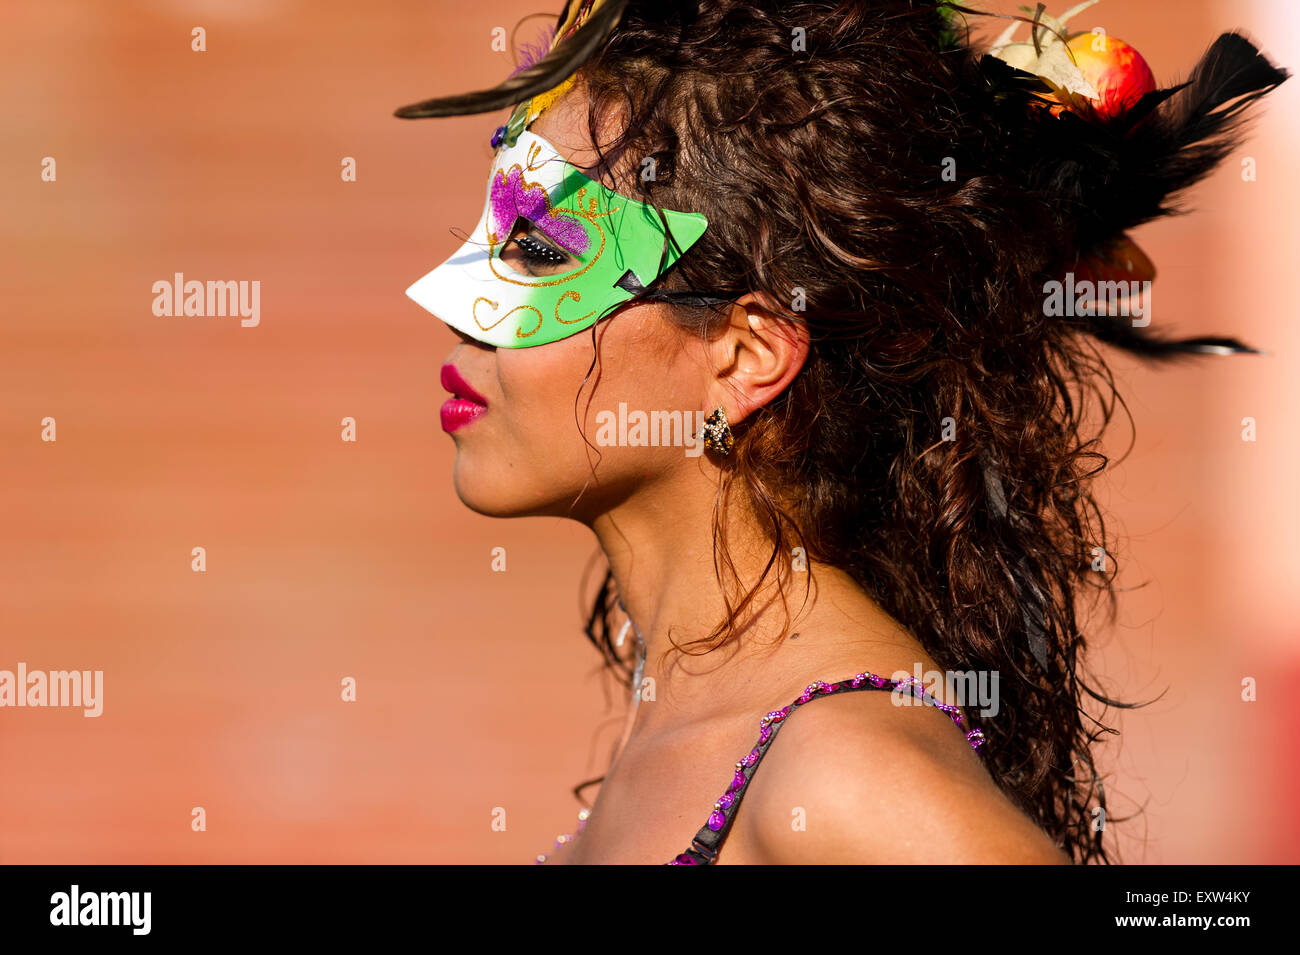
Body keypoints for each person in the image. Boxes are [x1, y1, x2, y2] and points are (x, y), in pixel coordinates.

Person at [393, 0, 1287, 864]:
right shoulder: (692, 723)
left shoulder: (845, 772)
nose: (451, 302)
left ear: (746, 354)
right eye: (486, 236)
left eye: (541, 250)